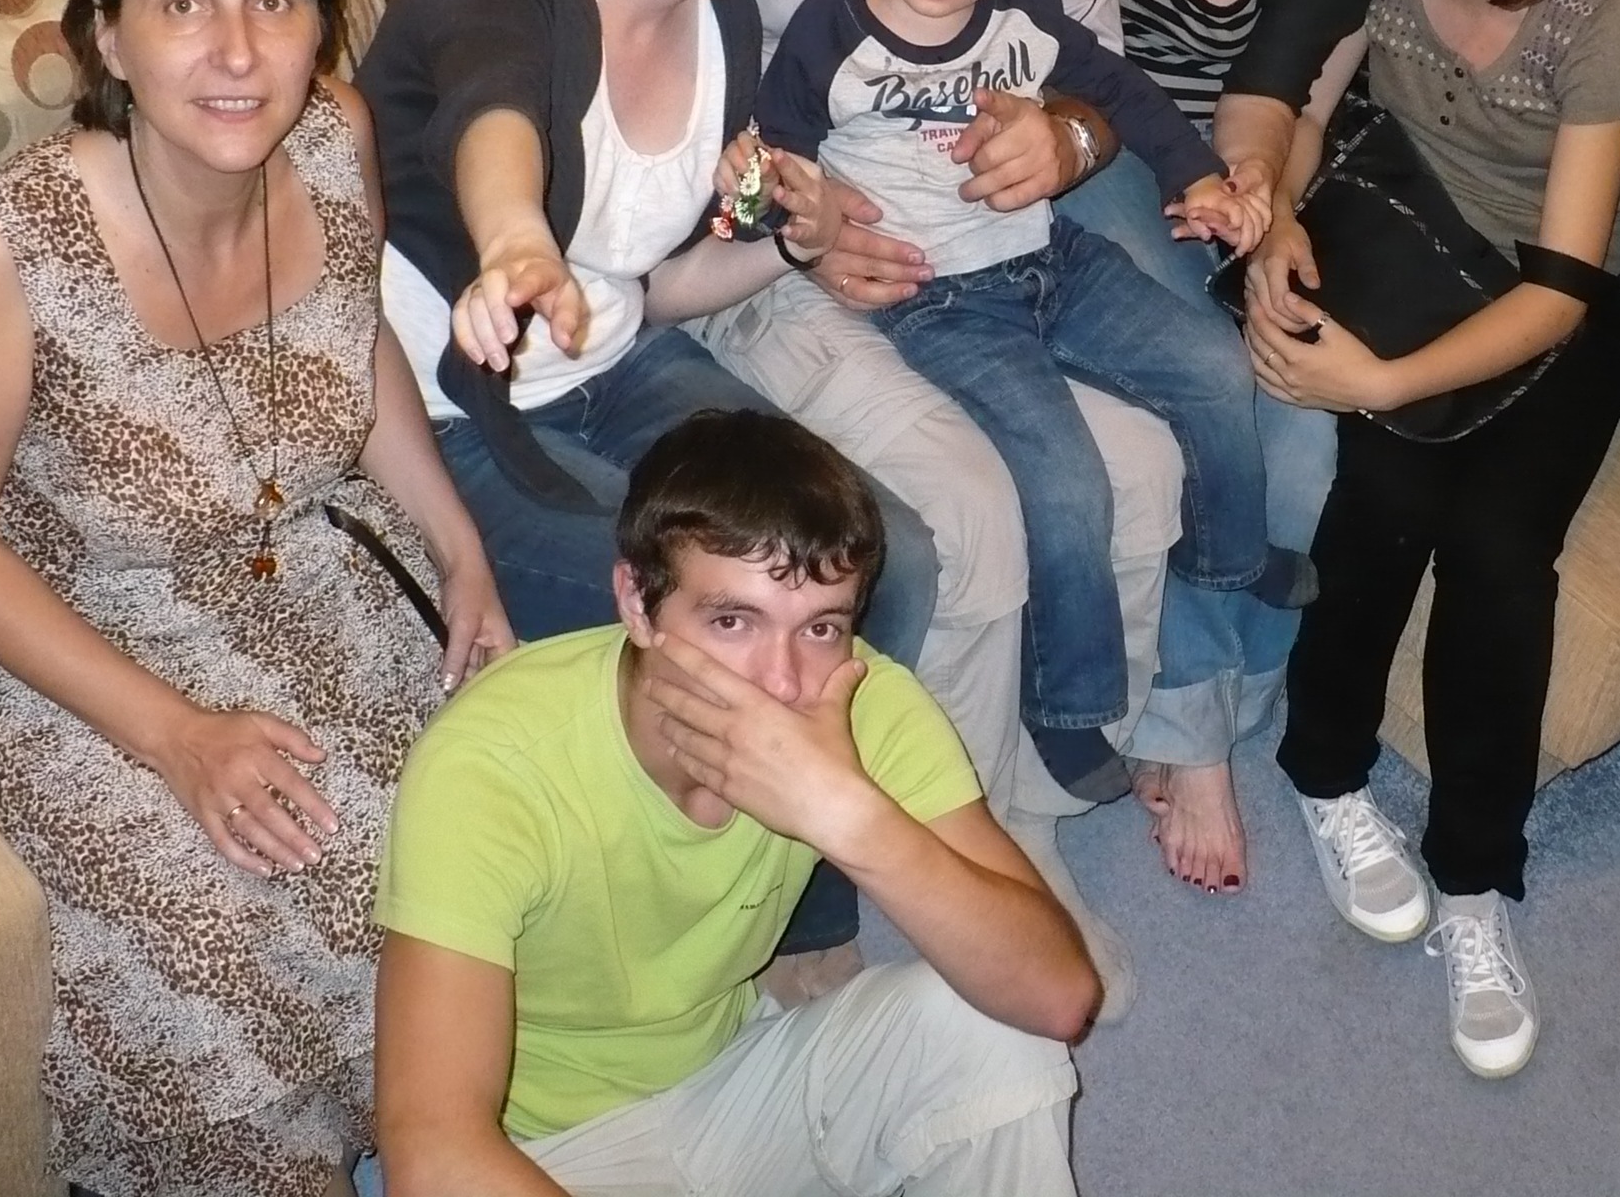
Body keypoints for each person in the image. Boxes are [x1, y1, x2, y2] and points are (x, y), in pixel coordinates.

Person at [0, 0, 513, 1196]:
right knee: (222, 927)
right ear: (108, 36)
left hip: (299, 563)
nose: (237, 51)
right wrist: (173, 737)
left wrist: (462, 551)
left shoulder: (333, 139)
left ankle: (427, 1131)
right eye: (184, 4)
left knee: (475, 815)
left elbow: (357, 342)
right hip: (73, 633)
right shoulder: (1, 255)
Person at [356, 0, 937, 989]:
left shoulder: (726, 26)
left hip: (617, 364)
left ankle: (794, 897)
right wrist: (515, 242)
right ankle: (722, 927)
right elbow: (492, 106)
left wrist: (792, 244)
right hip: (451, 408)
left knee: (873, 556)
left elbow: (656, 283)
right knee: (710, 625)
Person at [694, 0, 1182, 1005]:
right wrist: (795, 225)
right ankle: (976, 848)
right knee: (969, 507)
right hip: (782, 263)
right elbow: (659, 110)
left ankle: (1046, 776)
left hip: (981, 242)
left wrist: (1069, 141)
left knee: (1148, 462)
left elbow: (1087, 72)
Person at [373, 409, 1097, 1197]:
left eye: (820, 628)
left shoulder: (856, 699)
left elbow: (1057, 998)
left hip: (733, 1082)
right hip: (554, 1156)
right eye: (732, 621)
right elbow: (433, 1153)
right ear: (636, 603)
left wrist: (848, 816)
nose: (780, 682)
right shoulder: (494, 762)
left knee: (989, 1030)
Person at [1246, 0, 1620, 1080]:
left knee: (1500, 552)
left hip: (1551, 294)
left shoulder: (1601, 9)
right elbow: (1305, 106)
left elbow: (1565, 284)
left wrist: (1379, 381)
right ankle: (1324, 773)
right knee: (1380, 495)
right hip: (1408, 237)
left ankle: (1475, 882)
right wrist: (1281, 216)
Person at [756, 0, 1272, 805]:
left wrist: (1199, 178)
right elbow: (776, 156)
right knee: (1067, 479)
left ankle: (1228, 560)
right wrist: (780, 222)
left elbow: (1125, 96)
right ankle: (1068, 706)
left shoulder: (1025, 22)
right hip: (941, 299)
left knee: (1216, 363)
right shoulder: (829, 33)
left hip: (1054, 257)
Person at [1038, 0, 1385, 895]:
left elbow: (1276, 94)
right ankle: (1193, 738)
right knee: (1207, 389)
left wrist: (1258, 199)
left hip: (1231, 164)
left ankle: (1227, 711)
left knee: (1303, 412)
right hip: (1080, 145)